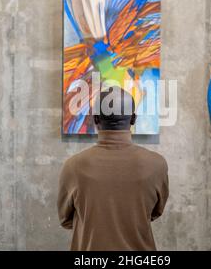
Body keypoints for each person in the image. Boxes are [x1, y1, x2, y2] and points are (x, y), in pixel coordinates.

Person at [57, 86, 169, 250]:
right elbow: (155, 212)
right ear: (133, 119)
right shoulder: (157, 165)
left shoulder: (73, 166)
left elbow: (65, 219)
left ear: (95, 119)